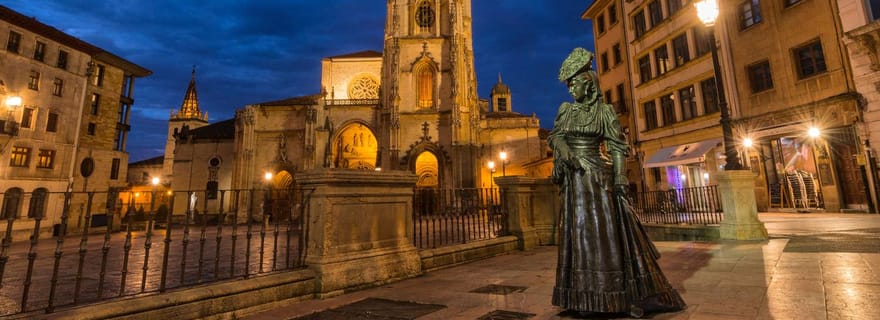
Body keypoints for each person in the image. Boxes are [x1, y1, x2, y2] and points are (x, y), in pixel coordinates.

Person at [549, 47, 685, 318]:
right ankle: (580, 297)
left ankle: (609, 297)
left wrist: (621, 178)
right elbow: (555, 136)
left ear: (587, 83)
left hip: (598, 181)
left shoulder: (605, 112)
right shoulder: (567, 111)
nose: (570, 89)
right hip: (576, 181)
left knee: (602, 238)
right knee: (579, 238)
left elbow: (617, 147)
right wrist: (567, 153)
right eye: (568, 84)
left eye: (573, 83)